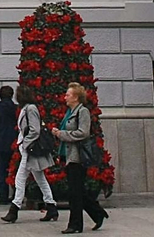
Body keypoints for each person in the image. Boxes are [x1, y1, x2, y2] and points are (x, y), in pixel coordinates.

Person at [51, 83, 108, 232]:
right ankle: (97, 213)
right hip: (68, 156)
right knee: (78, 191)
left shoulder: (82, 112)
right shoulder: (69, 112)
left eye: (68, 94)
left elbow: (83, 132)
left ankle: (75, 225)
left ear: (76, 97)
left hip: (78, 157)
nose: (65, 97)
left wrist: (61, 134)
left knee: (75, 193)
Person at [2, 86, 57, 224]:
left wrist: (25, 143)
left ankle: (14, 209)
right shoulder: (27, 108)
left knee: (20, 179)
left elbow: (35, 130)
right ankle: (51, 206)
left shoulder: (30, 109)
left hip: (29, 149)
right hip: (27, 149)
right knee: (40, 178)